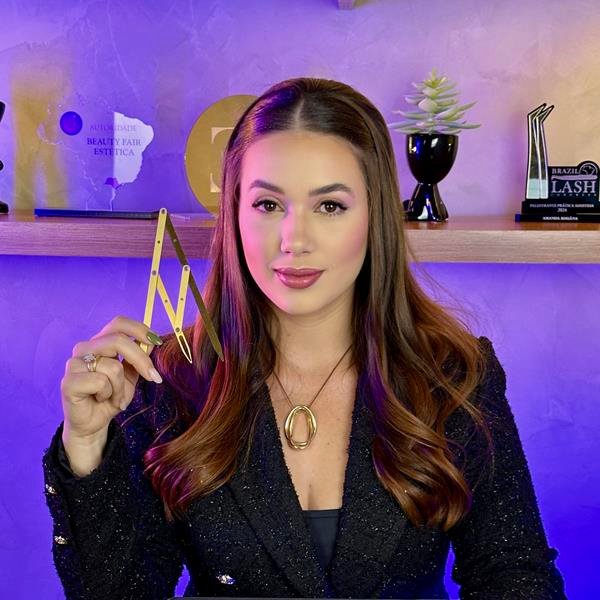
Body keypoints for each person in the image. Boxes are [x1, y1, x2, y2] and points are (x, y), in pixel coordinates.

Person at [42, 77, 567, 599]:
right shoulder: (168, 377)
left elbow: (514, 575)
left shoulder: (452, 375)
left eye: (330, 206)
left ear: (375, 216)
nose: (294, 240)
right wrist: (85, 448)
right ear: (234, 215)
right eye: (268, 205)